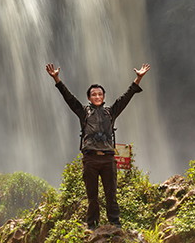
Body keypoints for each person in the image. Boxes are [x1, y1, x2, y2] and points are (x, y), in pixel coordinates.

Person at [46, 62, 151, 227]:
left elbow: (126, 97)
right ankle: (92, 224)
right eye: (93, 94)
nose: (97, 97)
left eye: (99, 94)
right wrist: (57, 79)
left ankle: (115, 224)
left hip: (108, 158)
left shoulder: (111, 112)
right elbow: (69, 98)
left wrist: (138, 79)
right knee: (92, 195)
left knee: (111, 193)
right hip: (90, 159)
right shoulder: (83, 112)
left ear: (104, 97)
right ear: (89, 98)